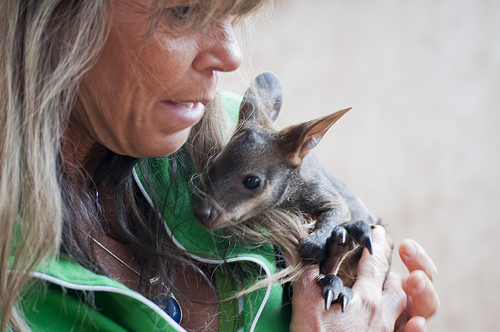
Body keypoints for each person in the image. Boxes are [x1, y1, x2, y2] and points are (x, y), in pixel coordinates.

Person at [0, 0, 439, 331]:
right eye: (185, 9)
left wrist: (375, 301)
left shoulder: (233, 134)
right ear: (55, 16)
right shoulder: (15, 274)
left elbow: (350, 240)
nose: (232, 56)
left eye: (231, 12)